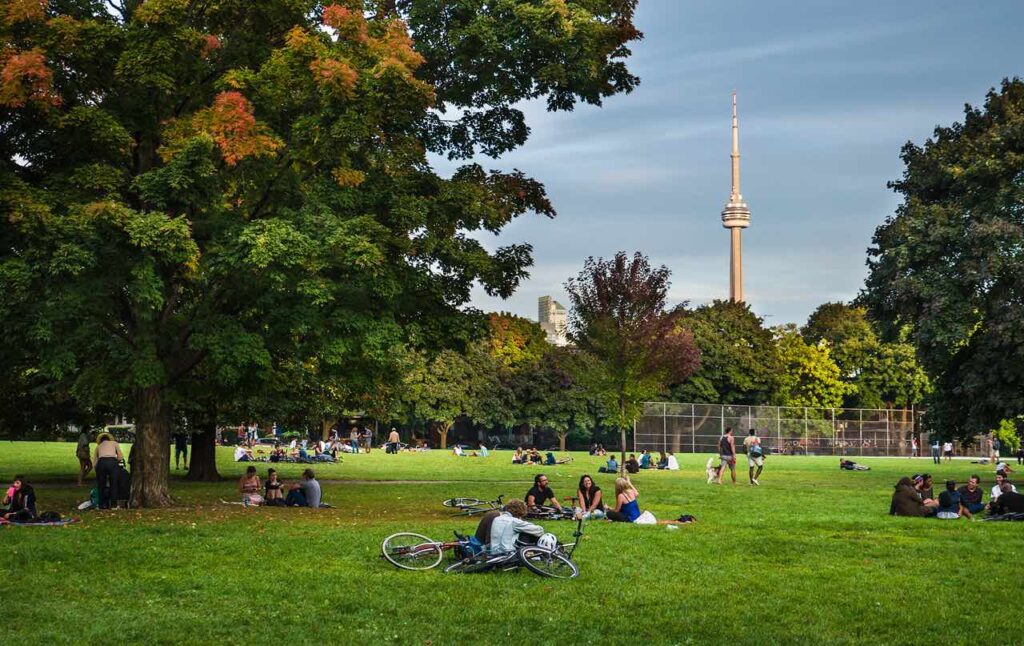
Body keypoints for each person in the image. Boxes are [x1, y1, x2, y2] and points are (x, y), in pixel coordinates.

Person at [93, 431, 124, 510]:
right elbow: (120, 456)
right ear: (109, 439)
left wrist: (96, 469)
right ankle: (114, 505)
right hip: (112, 462)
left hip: (101, 462)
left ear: (100, 440)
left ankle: (101, 505)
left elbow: (95, 461)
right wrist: (116, 461)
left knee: (101, 485)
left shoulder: (98, 446)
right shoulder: (114, 443)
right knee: (114, 483)